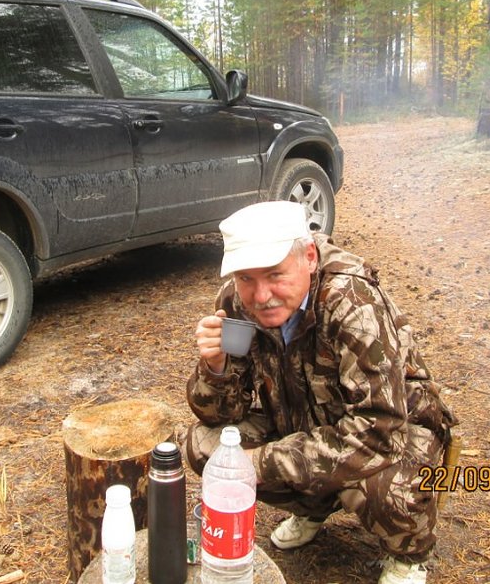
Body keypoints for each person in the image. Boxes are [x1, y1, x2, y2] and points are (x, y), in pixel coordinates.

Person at [185, 201, 456, 584]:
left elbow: (379, 433)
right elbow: (220, 416)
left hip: (394, 430)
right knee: (205, 447)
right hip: (300, 419)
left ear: (309, 257)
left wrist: (259, 462)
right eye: (246, 278)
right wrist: (215, 368)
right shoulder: (235, 303)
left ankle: (407, 555)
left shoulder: (354, 304)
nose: (261, 296)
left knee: (389, 490)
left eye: (276, 274)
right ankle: (313, 506)